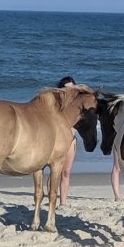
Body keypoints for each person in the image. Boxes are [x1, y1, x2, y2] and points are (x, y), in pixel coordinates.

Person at [56, 76, 77, 206]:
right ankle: (51, 198)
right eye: (66, 88)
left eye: (71, 88)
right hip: (58, 139)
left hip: (71, 139)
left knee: (66, 171)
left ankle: (63, 201)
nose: (69, 90)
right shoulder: (58, 103)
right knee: (55, 170)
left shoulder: (77, 104)